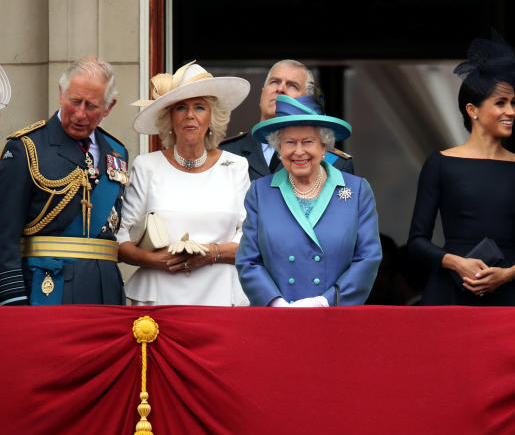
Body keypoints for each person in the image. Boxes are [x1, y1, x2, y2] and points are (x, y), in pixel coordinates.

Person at [408, 34, 515, 306]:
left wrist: (509, 274)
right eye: (500, 103)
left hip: (508, 294)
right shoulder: (440, 163)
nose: (511, 111)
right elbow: (416, 242)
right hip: (449, 292)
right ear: (473, 110)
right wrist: (456, 263)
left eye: (513, 103)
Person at [116, 61, 251, 306]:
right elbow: (122, 239)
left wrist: (210, 254)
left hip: (220, 297)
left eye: (199, 107)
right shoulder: (147, 166)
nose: (190, 115)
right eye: (181, 107)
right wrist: (157, 260)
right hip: (158, 298)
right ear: (170, 118)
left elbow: (249, 240)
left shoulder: (236, 166)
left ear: (212, 116)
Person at [0, 57, 128, 305]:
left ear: (109, 107)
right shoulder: (26, 147)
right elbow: (4, 235)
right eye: (75, 101)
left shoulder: (117, 152)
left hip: (104, 291)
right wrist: (12, 299)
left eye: (91, 106)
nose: (80, 114)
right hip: (46, 289)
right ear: (61, 94)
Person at [237, 94, 381, 306]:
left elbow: (368, 258)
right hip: (277, 319)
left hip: (335, 317)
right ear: (279, 148)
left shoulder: (357, 190)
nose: (298, 151)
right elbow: (248, 261)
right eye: (289, 142)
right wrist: (275, 303)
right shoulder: (261, 192)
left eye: (308, 142)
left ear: (324, 147)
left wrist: (325, 302)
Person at [221, 59, 355, 181]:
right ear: (262, 94)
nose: (280, 89)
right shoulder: (225, 152)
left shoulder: (335, 162)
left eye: (292, 85)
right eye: (274, 82)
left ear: (306, 100)